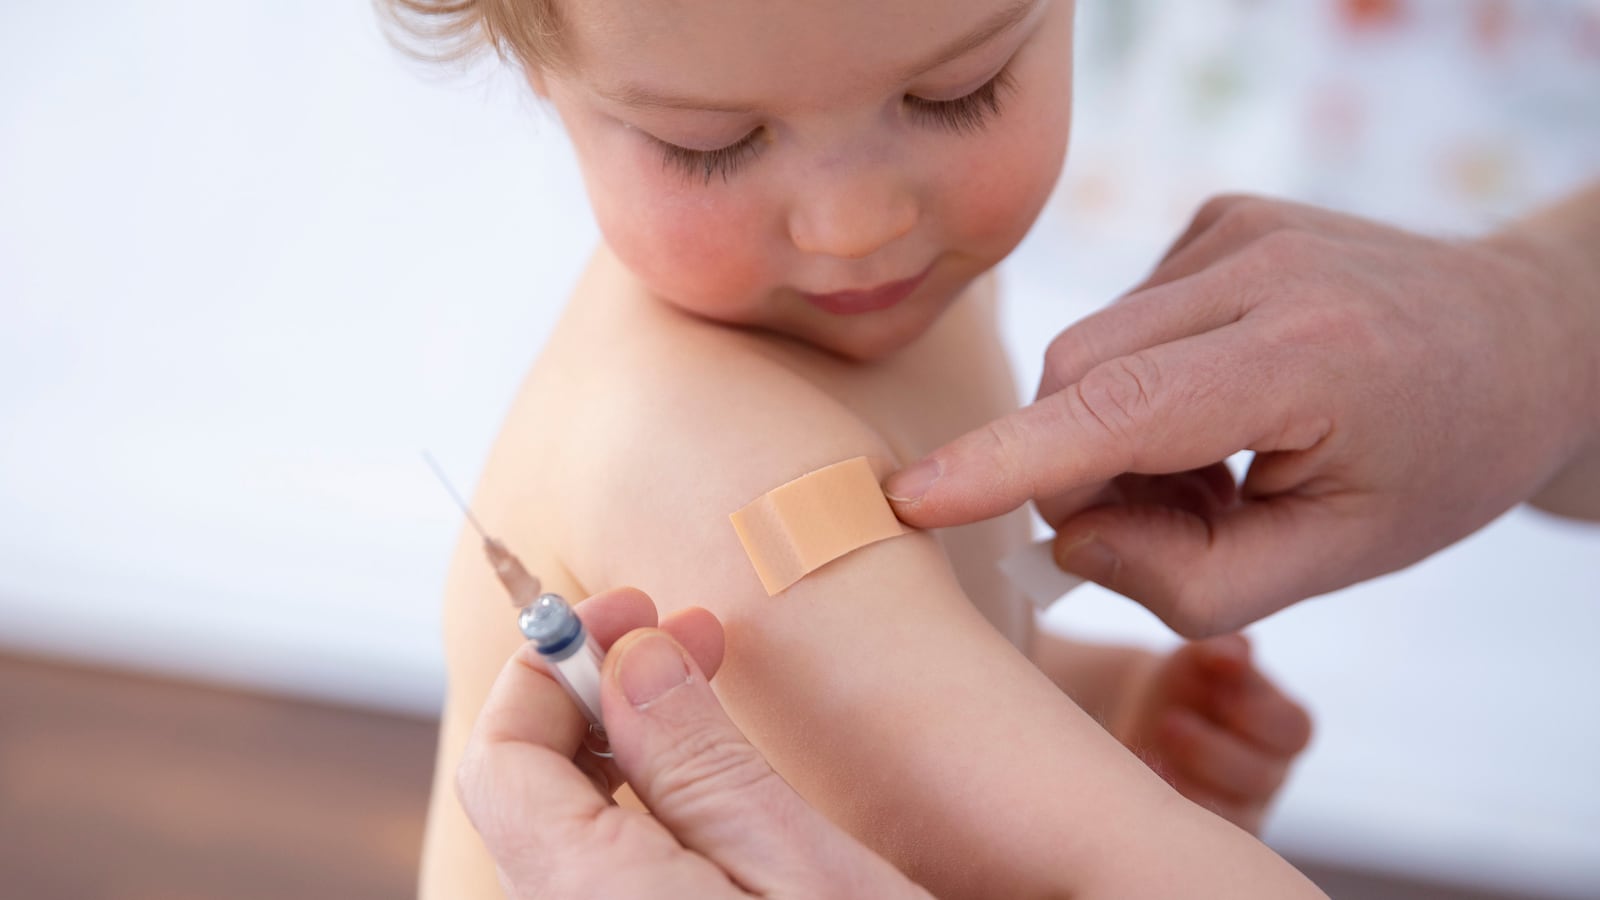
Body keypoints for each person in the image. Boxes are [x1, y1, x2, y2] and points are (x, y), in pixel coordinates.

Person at [386, 0, 1319, 896]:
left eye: (961, 91)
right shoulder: (697, 457)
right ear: (541, 77)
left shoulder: (895, 294)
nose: (857, 227)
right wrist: (1122, 830)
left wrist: (1093, 711)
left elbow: (874, 686)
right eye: (709, 147)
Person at [883, 182, 1600, 636]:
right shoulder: (779, 411)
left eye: (959, 96)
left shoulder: (948, 292)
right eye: (760, 132)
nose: (850, 227)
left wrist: (1110, 706)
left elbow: (964, 655)